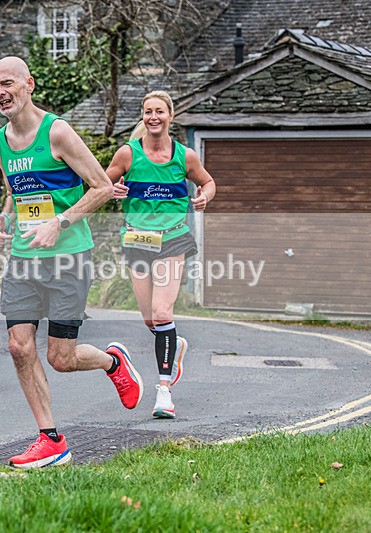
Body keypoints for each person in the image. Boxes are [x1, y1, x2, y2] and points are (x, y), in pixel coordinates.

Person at [0, 56, 143, 470]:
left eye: (8, 84)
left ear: (29, 84)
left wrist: (60, 221)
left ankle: (113, 361)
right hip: (23, 256)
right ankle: (50, 439)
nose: (0, 93)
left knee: (61, 358)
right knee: (21, 348)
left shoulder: (56, 132)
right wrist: (2, 220)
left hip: (68, 255)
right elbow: (14, 192)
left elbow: (103, 187)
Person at [105, 90, 216, 419]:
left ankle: (164, 391)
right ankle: (175, 345)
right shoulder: (127, 154)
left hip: (173, 239)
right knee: (151, 319)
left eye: (160, 112)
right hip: (138, 240)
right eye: (148, 111)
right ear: (143, 116)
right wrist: (112, 190)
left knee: (162, 312)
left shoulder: (185, 157)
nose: (154, 117)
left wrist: (204, 196)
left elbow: (209, 183)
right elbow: (97, 185)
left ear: (170, 116)